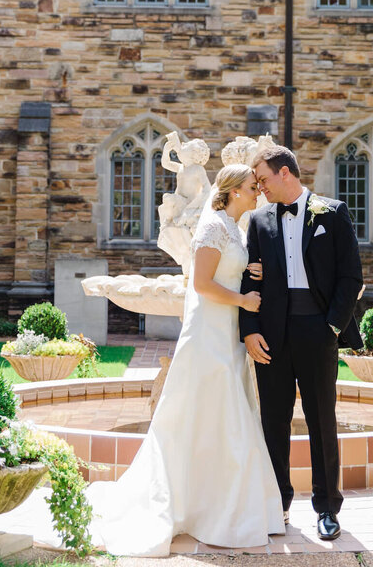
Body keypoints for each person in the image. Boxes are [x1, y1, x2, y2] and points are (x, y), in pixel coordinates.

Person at [79, 164, 285, 556]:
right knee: (216, 416)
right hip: (209, 336)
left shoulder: (233, 228)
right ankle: (214, 512)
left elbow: (228, 270)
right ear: (233, 191)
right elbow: (203, 284)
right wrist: (243, 299)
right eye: (251, 187)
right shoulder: (211, 227)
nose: (257, 192)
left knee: (224, 416)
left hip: (228, 336)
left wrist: (249, 271)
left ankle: (223, 507)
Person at [240, 144, 363, 542]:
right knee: (273, 421)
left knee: (321, 421)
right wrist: (249, 330)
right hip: (272, 335)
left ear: (285, 174)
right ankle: (278, 504)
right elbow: (250, 280)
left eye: (262, 180)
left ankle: (327, 508)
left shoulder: (333, 212)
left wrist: (331, 327)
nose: (259, 189)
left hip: (317, 330)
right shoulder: (258, 222)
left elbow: (351, 278)